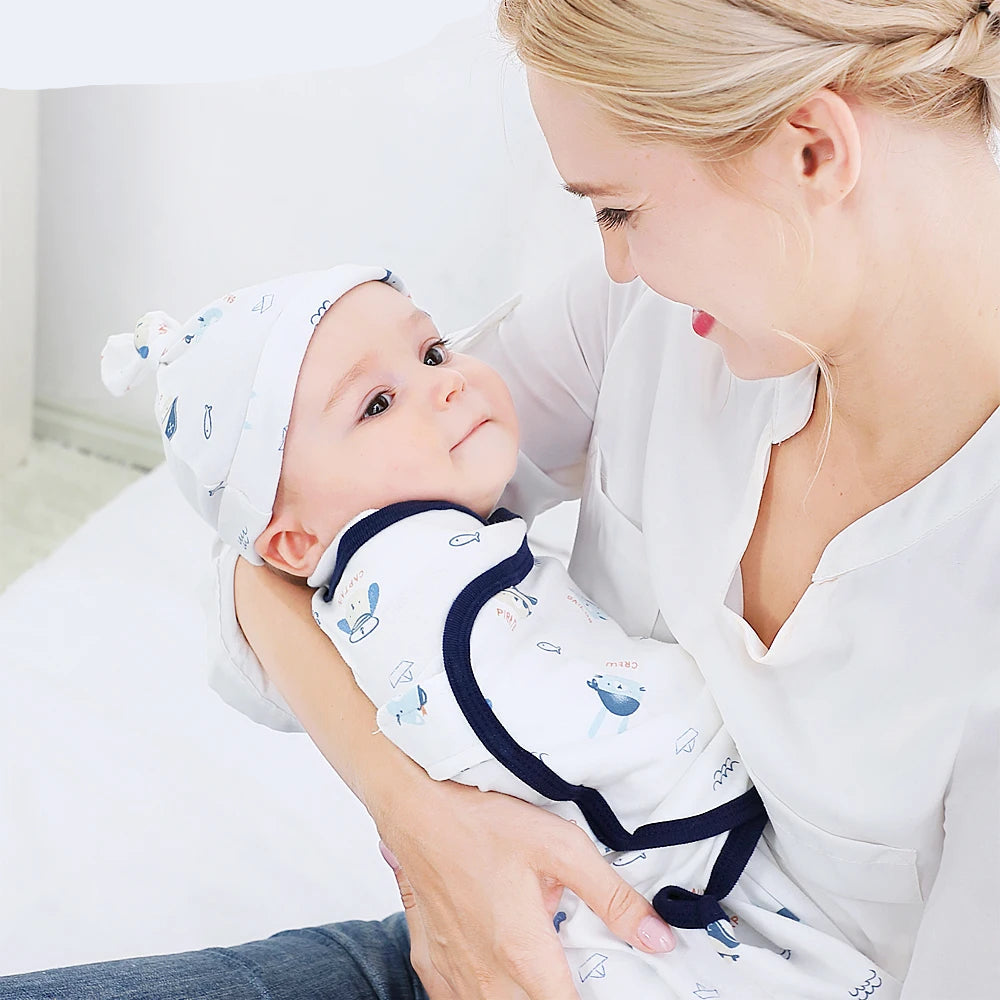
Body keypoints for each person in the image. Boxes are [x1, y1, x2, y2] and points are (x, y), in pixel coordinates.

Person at [3, 0, 999, 997]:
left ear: (813, 152)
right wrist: (427, 823)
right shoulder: (650, 321)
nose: (614, 261)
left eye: (617, 211)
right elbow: (270, 544)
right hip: (495, 940)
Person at [100, 263, 892, 997]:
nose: (446, 382)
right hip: (606, 930)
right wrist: (415, 814)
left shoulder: (416, 539)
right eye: (377, 404)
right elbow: (243, 568)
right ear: (296, 542)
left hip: (640, 925)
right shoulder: (414, 573)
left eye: (433, 352)